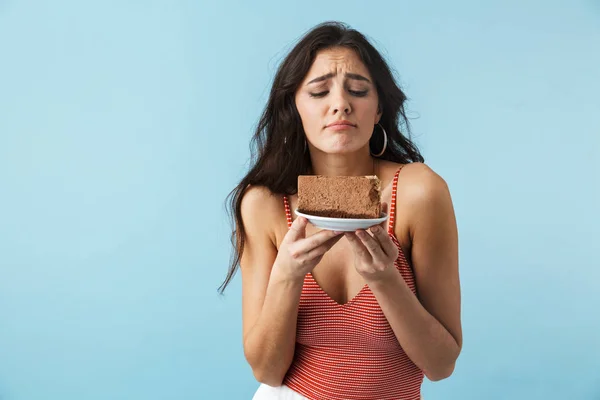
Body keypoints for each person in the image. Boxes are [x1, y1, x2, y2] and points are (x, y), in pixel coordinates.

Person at [219, 21, 462, 400]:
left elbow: (441, 365)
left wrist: (385, 280)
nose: (340, 104)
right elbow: (267, 370)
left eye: (358, 90)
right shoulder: (264, 204)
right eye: (319, 92)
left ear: (379, 107)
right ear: (294, 107)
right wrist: (286, 275)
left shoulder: (419, 192)